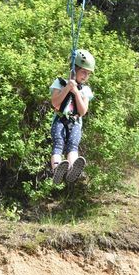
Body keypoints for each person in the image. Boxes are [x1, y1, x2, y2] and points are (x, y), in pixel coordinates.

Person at [49, 49, 95, 184]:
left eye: (88, 74)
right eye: (83, 72)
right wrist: (67, 88)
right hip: (59, 120)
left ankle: (73, 169)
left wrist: (76, 92)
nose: (86, 76)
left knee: (73, 146)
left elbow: (82, 111)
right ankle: (57, 169)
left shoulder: (85, 90)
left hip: (75, 123)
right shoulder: (60, 83)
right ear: (74, 70)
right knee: (58, 144)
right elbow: (55, 103)